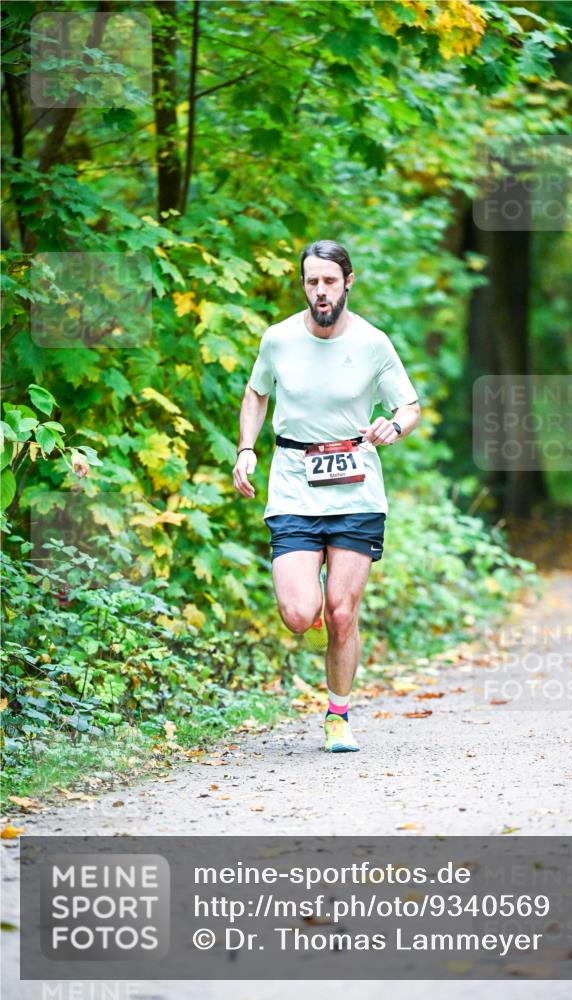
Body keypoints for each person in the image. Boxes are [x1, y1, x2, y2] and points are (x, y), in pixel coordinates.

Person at [233, 240, 420, 752]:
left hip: (357, 490)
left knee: (343, 611)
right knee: (299, 613)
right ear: (304, 285)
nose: (320, 291)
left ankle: (338, 714)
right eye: (312, 282)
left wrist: (394, 427)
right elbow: (256, 391)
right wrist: (246, 448)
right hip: (294, 486)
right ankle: (309, 612)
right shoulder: (279, 339)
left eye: (330, 282)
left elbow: (409, 405)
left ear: (348, 283)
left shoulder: (373, 343)